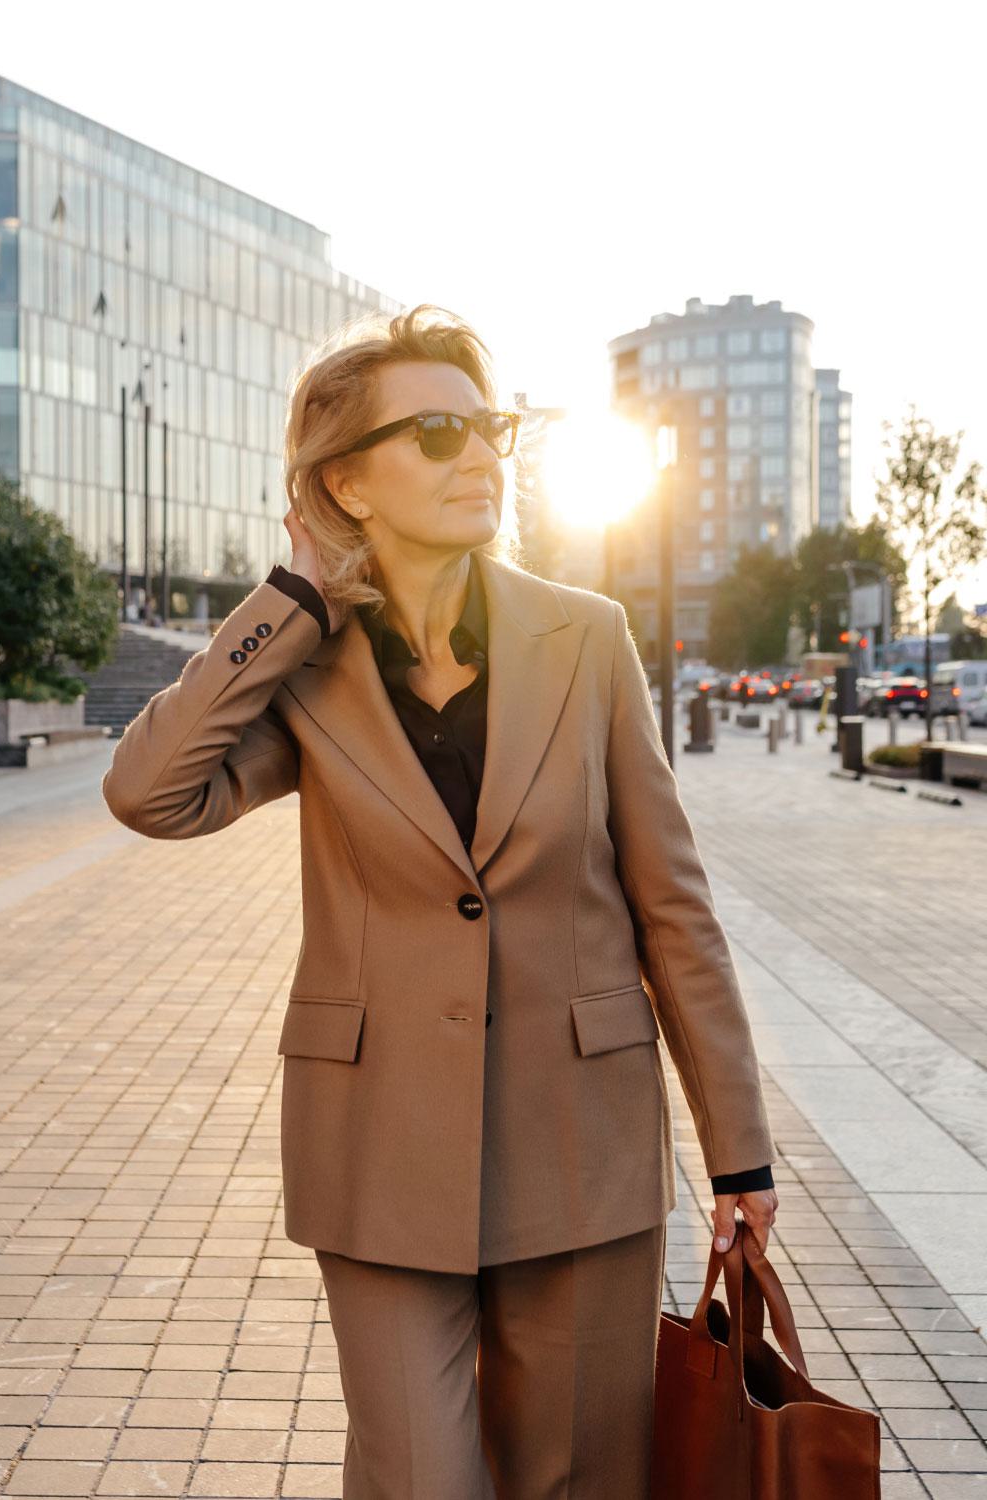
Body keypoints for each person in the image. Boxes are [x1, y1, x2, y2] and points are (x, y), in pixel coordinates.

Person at [101, 304, 778, 1497]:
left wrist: (740, 1156)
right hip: (379, 1149)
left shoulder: (587, 639)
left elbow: (676, 910)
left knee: (575, 1477)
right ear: (347, 483)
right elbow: (153, 795)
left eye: (489, 430)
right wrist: (287, 605)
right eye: (434, 432)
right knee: (422, 1476)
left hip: (584, 1141)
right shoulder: (307, 667)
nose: (479, 457)